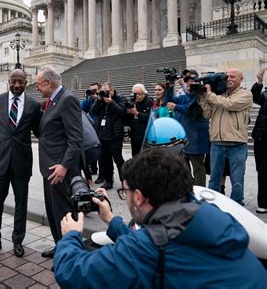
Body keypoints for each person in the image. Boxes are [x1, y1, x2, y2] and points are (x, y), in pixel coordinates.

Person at [53, 148, 266, 288]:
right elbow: (158, 244)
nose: (124, 196)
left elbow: (72, 273)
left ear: (138, 197)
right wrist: (111, 220)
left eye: (124, 191)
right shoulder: (209, 214)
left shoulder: (148, 248)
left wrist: (71, 236)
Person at [0, 69, 41, 257]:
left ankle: (18, 240)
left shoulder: (33, 105)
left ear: (26, 82)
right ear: (9, 82)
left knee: (21, 203)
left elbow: (40, 132)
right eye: (13, 81)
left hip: (22, 163)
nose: (17, 85)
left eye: (20, 82)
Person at [36, 66, 82, 258]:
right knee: (54, 212)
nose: (37, 88)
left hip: (60, 170)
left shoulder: (67, 99)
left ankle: (70, 253)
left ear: (48, 82)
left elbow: (76, 139)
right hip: (51, 168)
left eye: (38, 84)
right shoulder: (53, 101)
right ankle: (61, 246)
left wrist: (64, 166)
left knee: (64, 213)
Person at [199, 68, 253, 205]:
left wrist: (210, 95)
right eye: (227, 76)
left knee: (237, 180)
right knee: (214, 178)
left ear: (241, 79)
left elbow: (230, 104)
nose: (228, 78)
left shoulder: (245, 94)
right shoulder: (218, 95)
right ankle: (213, 205)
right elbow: (207, 114)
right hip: (217, 143)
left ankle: (237, 205)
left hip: (237, 144)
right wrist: (202, 97)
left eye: (233, 76)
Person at [167, 74, 210, 186]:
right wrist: (171, 85)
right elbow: (170, 100)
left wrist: (176, 107)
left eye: (191, 81)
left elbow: (193, 110)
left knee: (198, 169)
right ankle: (188, 191)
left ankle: (200, 193)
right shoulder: (185, 97)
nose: (188, 83)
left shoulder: (201, 96)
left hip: (196, 140)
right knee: (184, 169)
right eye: (186, 81)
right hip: (184, 140)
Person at [91, 82, 126, 189]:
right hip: (102, 134)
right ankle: (108, 181)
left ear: (111, 90)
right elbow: (94, 111)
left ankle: (124, 182)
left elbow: (122, 112)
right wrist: (99, 100)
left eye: (106, 91)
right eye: (103, 91)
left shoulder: (120, 98)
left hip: (115, 134)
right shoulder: (101, 100)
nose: (105, 93)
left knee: (118, 159)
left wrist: (112, 102)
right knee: (104, 159)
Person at [252, 69, 267, 214]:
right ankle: (263, 202)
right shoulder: (265, 94)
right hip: (262, 137)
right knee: (262, 171)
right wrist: (259, 82)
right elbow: (255, 97)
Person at [126, 83, 152, 156]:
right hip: (134, 134)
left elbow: (148, 117)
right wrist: (127, 112)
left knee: (145, 156)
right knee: (135, 155)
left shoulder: (149, 101)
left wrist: (137, 113)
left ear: (144, 93)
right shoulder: (132, 101)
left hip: (145, 134)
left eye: (139, 94)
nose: (137, 96)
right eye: (135, 94)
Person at [81, 82, 100, 176]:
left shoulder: (101, 99)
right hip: (93, 127)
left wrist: (98, 99)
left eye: (95, 90)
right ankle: (93, 169)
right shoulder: (89, 99)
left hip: (101, 127)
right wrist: (85, 99)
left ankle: (104, 174)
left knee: (101, 152)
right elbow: (82, 110)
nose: (92, 92)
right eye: (91, 90)